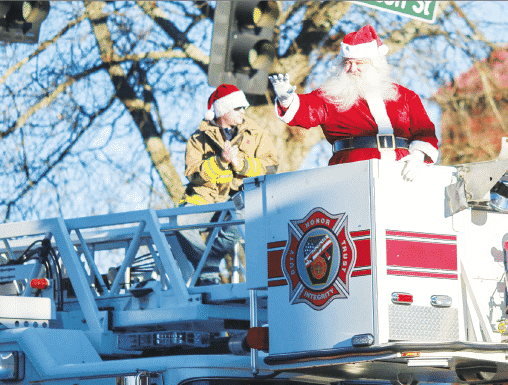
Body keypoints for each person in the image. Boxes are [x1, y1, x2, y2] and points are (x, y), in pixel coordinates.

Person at [268, 25, 438, 181]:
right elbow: (307, 110)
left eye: (359, 63)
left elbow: (424, 131)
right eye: (347, 63)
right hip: (350, 172)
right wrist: (286, 99)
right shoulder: (332, 95)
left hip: (401, 171)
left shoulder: (405, 96)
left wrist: (418, 156)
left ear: (375, 64)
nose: (352, 69)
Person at [178, 84, 278, 285]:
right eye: (238, 108)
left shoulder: (257, 134)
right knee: (181, 223)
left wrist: (242, 163)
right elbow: (192, 175)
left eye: (244, 107)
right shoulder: (198, 139)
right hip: (205, 200)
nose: (244, 111)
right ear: (222, 111)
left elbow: (272, 168)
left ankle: (209, 264)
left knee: (241, 217)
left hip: (240, 201)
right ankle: (208, 269)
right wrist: (220, 161)